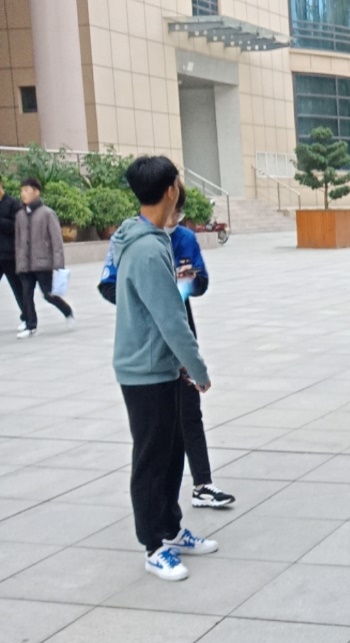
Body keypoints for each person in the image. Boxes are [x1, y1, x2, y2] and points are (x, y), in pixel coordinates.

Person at [99, 183, 236, 510]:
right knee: (154, 439)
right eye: (173, 211)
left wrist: (189, 280)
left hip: (178, 334)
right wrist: (150, 297)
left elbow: (200, 284)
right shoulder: (131, 241)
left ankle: (200, 485)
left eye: (179, 214)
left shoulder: (184, 238)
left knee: (188, 414)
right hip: (148, 347)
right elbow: (109, 286)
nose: (174, 218)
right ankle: (155, 525)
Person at [112, 156, 217, 581]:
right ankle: (153, 545)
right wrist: (198, 369)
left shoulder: (148, 239)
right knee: (152, 459)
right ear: (171, 190)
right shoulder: (146, 249)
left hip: (160, 367)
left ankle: (171, 530)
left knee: (172, 453)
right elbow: (171, 319)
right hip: (146, 372)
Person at [14, 178, 73, 339]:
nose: (23, 194)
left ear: (36, 192)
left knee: (48, 294)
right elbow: (18, 242)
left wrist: (58, 264)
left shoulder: (47, 213)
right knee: (26, 294)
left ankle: (67, 311)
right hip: (25, 264)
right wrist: (19, 262)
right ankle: (31, 325)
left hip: (43, 263)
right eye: (22, 190)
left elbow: (56, 240)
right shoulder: (20, 215)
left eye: (26, 190)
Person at [0, 179, 26, 329]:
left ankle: (27, 317)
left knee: (18, 287)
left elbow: (18, 226)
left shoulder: (12, 203)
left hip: (9, 254)